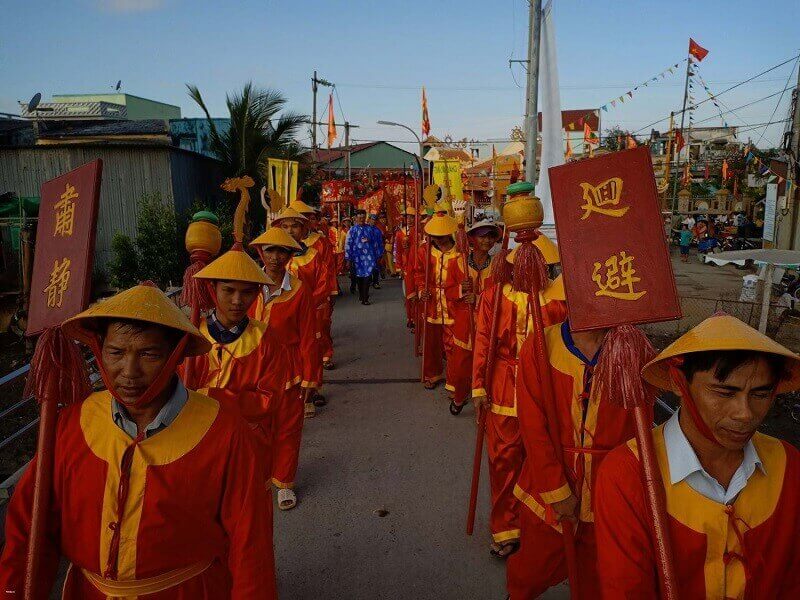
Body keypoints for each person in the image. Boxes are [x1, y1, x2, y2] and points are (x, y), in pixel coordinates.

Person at [0, 284, 276, 598]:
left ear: (175, 355)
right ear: (100, 349)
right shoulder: (72, 424)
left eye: (149, 354)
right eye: (116, 352)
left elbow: (250, 546)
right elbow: (29, 527)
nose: (129, 372)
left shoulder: (224, 431)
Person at [595, 313, 800, 598]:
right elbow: (626, 589)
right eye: (725, 393)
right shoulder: (628, 473)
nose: (745, 414)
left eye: (760, 394)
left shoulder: (789, 464)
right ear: (679, 384)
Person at [506, 319, 637, 599]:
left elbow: (639, 433)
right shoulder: (541, 345)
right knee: (533, 569)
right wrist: (557, 491)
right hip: (548, 483)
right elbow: (532, 425)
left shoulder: (634, 350)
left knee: (597, 576)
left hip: (608, 490)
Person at [471, 249, 568, 560]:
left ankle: (541, 527)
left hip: (546, 389)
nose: (522, 273)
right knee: (503, 461)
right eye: (516, 267)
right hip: (503, 386)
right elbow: (483, 339)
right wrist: (478, 387)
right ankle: (505, 527)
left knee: (546, 460)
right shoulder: (494, 296)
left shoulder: (558, 298)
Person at [181, 244, 289, 487]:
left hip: (246, 441)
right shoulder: (192, 337)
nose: (238, 301)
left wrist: (213, 397)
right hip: (196, 439)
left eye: (247, 293)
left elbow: (269, 400)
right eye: (228, 290)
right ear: (212, 289)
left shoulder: (266, 339)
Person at [249, 226, 318, 508]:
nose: (275, 257)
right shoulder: (247, 285)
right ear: (260, 252)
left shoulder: (299, 291)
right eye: (269, 250)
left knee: (288, 429)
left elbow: (308, 336)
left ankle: (285, 482)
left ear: (290, 255)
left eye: (282, 251)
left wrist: (311, 378)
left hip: (289, 370)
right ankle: (258, 476)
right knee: (255, 428)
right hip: (252, 368)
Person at [415, 213, 473, 414]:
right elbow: (419, 273)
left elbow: (464, 280)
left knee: (452, 346)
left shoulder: (460, 254)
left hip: (452, 305)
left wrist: (460, 289)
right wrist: (422, 288)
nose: (439, 239)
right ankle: (432, 373)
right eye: (435, 235)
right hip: (431, 302)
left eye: (442, 235)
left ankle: (454, 382)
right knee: (431, 342)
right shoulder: (424, 251)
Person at [273, 207, 328, 411]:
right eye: (284, 226)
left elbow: (322, 282)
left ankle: (313, 390)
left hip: (309, 310)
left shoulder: (313, 254)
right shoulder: (274, 256)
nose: (290, 230)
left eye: (294, 226)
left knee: (311, 348)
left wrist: (308, 305)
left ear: (303, 229)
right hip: (281, 313)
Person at [289, 200, 338, 371]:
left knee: (320, 328)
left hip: (315, 298)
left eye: (296, 224)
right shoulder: (279, 251)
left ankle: (325, 355)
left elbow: (327, 269)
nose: (291, 230)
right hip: (290, 304)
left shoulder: (319, 243)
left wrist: (330, 291)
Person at [345, 210, 383, 305]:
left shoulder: (370, 229)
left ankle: (365, 297)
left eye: (363, 217)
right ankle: (361, 294)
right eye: (359, 217)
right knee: (359, 278)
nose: (361, 219)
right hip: (357, 258)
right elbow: (348, 244)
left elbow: (375, 243)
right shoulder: (352, 230)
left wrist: (378, 255)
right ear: (356, 218)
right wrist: (348, 259)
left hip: (369, 258)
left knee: (368, 276)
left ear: (365, 217)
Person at [366, 214, 385, 289]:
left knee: (376, 267)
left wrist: (381, 251)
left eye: (374, 220)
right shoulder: (365, 229)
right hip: (367, 252)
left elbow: (380, 242)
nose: (373, 221)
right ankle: (369, 280)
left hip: (376, 252)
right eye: (372, 219)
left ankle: (376, 282)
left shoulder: (377, 230)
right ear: (369, 219)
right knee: (369, 267)